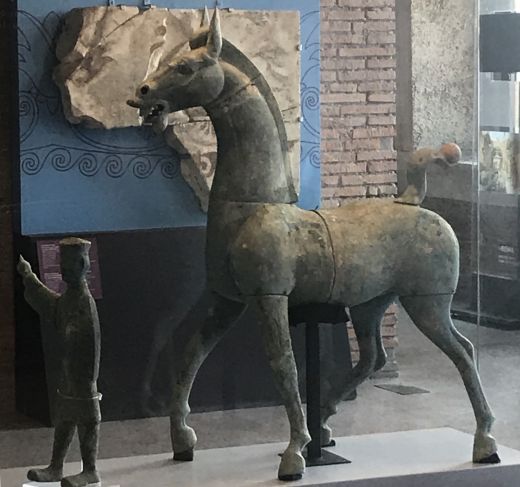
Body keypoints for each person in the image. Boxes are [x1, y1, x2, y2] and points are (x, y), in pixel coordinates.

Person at [18, 237, 101, 487]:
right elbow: (53, 306)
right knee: (64, 417)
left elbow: (88, 342)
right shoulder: (70, 298)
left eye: (68, 264)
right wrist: (30, 278)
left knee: (86, 419)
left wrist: (86, 381)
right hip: (70, 374)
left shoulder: (84, 302)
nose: (63, 270)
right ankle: (56, 466)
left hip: (82, 377)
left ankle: (90, 469)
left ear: (82, 264)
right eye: (61, 264)